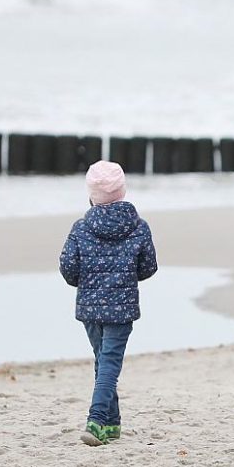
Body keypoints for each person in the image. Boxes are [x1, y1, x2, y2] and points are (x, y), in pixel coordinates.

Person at [59, 160, 158, 445]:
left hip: (90, 305)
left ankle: (107, 423)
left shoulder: (81, 227)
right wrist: (126, 276)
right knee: (108, 363)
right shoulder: (138, 226)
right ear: (122, 192)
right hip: (122, 305)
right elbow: (148, 267)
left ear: (91, 194)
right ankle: (100, 420)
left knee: (104, 363)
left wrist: (86, 282)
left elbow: (68, 266)